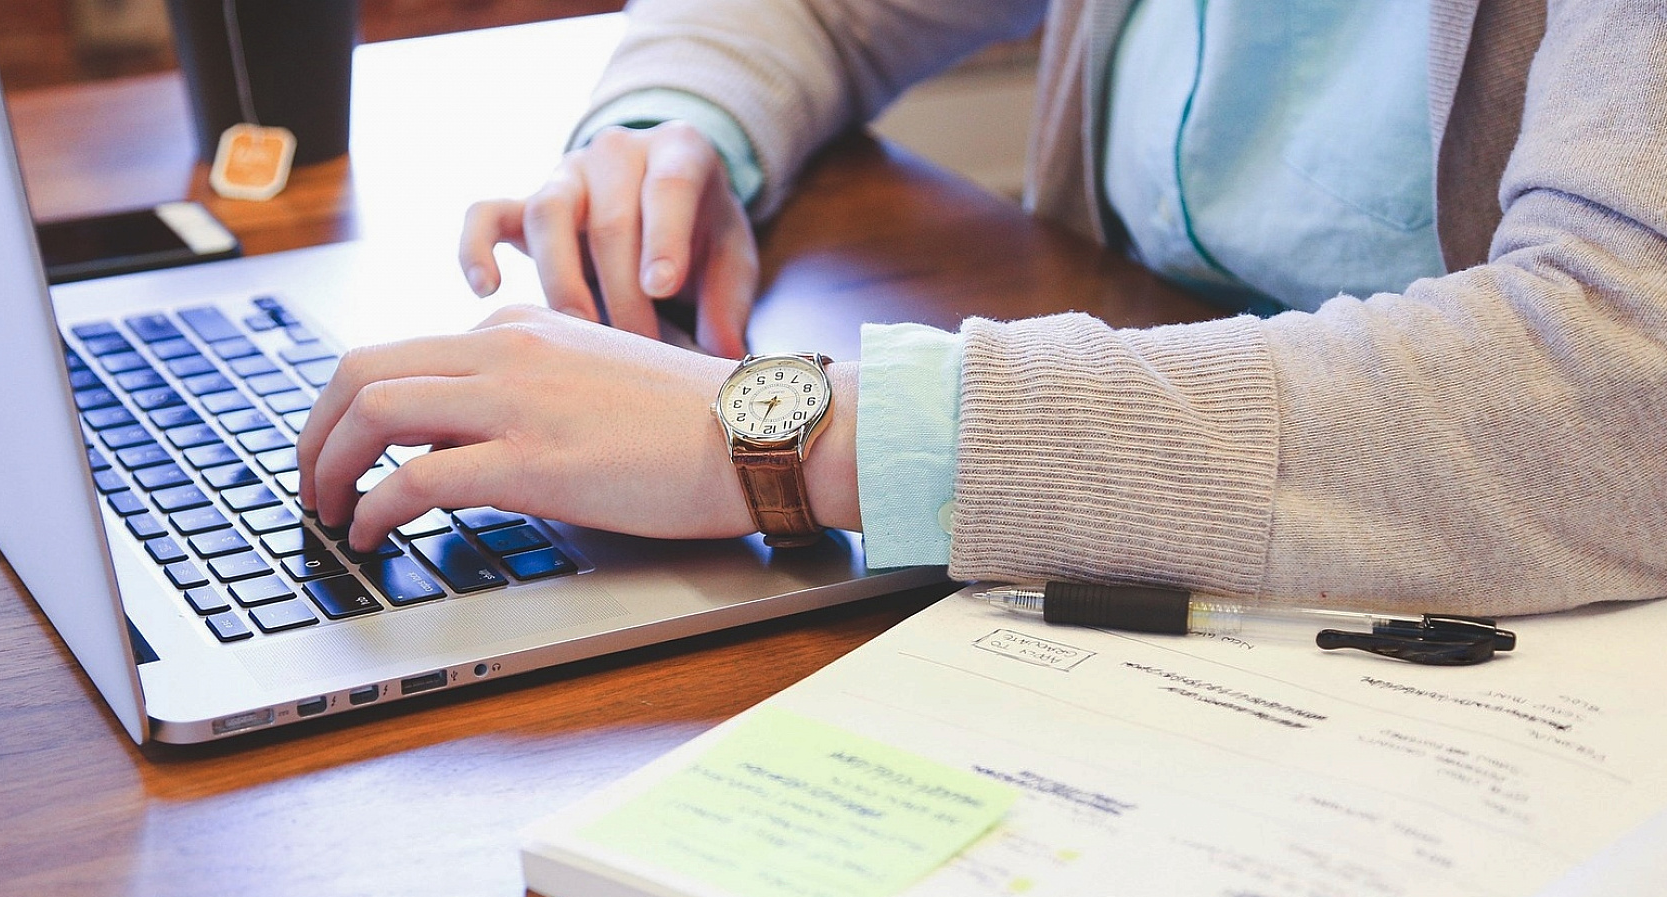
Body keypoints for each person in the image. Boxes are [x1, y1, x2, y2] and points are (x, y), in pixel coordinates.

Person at [297, 0, 1667, 616]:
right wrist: (674, 133)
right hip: (1129, 523)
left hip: (1486, 607)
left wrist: (786, 434)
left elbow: (1618, 388)